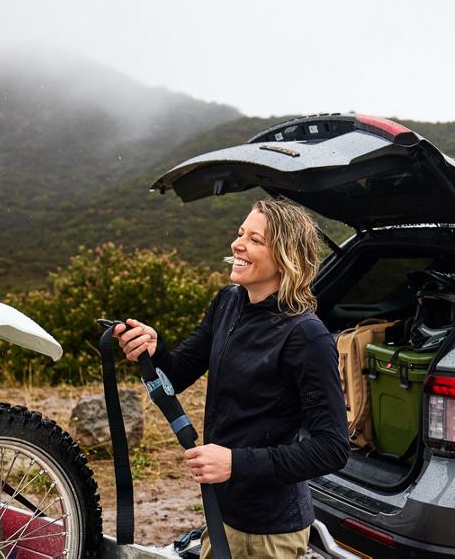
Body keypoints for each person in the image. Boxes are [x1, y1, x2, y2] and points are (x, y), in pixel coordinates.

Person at [114, 198, 349, 559]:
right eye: (241, 234)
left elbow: (332, 449)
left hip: (268, 532)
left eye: (255, 240)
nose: (237, 244)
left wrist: (234, 463)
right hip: (222, 513)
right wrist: (154, 348)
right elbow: (177, 373)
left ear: (285, 257)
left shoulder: (306, 335)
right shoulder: (229, 302)